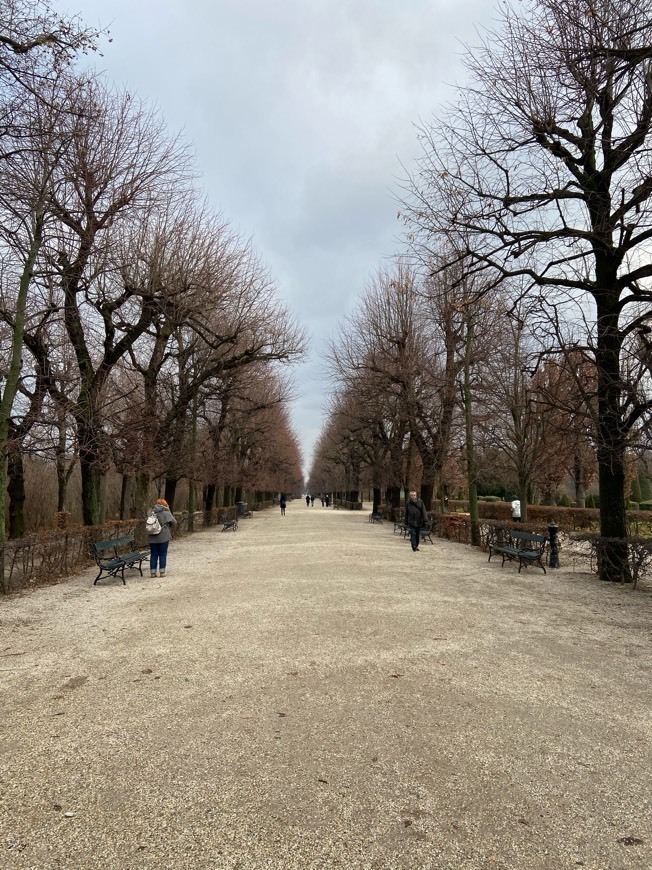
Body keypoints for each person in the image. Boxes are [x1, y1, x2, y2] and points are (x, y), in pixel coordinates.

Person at [147, 497, 177, 577]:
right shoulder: (166, 512)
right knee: (163, 554)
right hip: (163, 536)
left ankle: (153, 572)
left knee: (153, 554)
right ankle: (162, 572)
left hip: (152, 537)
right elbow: (174, 522)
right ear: (165, 504)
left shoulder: (151, 512)